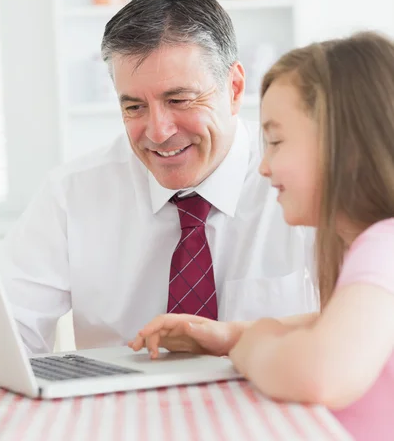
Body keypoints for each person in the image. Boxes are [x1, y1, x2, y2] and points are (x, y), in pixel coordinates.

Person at [0, 0, 316, 355]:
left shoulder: (305, 180)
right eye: (134, 107)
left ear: (235, 88)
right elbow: (3, 332)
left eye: (178, 100)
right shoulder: (73, 194)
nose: (158, 131)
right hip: (117, 410)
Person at [130, 31, 394, 441]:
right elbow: (334, 323)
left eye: (276, 141)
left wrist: (251, 347)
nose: (264, 167)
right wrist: (232, 335)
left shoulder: (385, 245)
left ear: (347, 147)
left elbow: (321, 373)